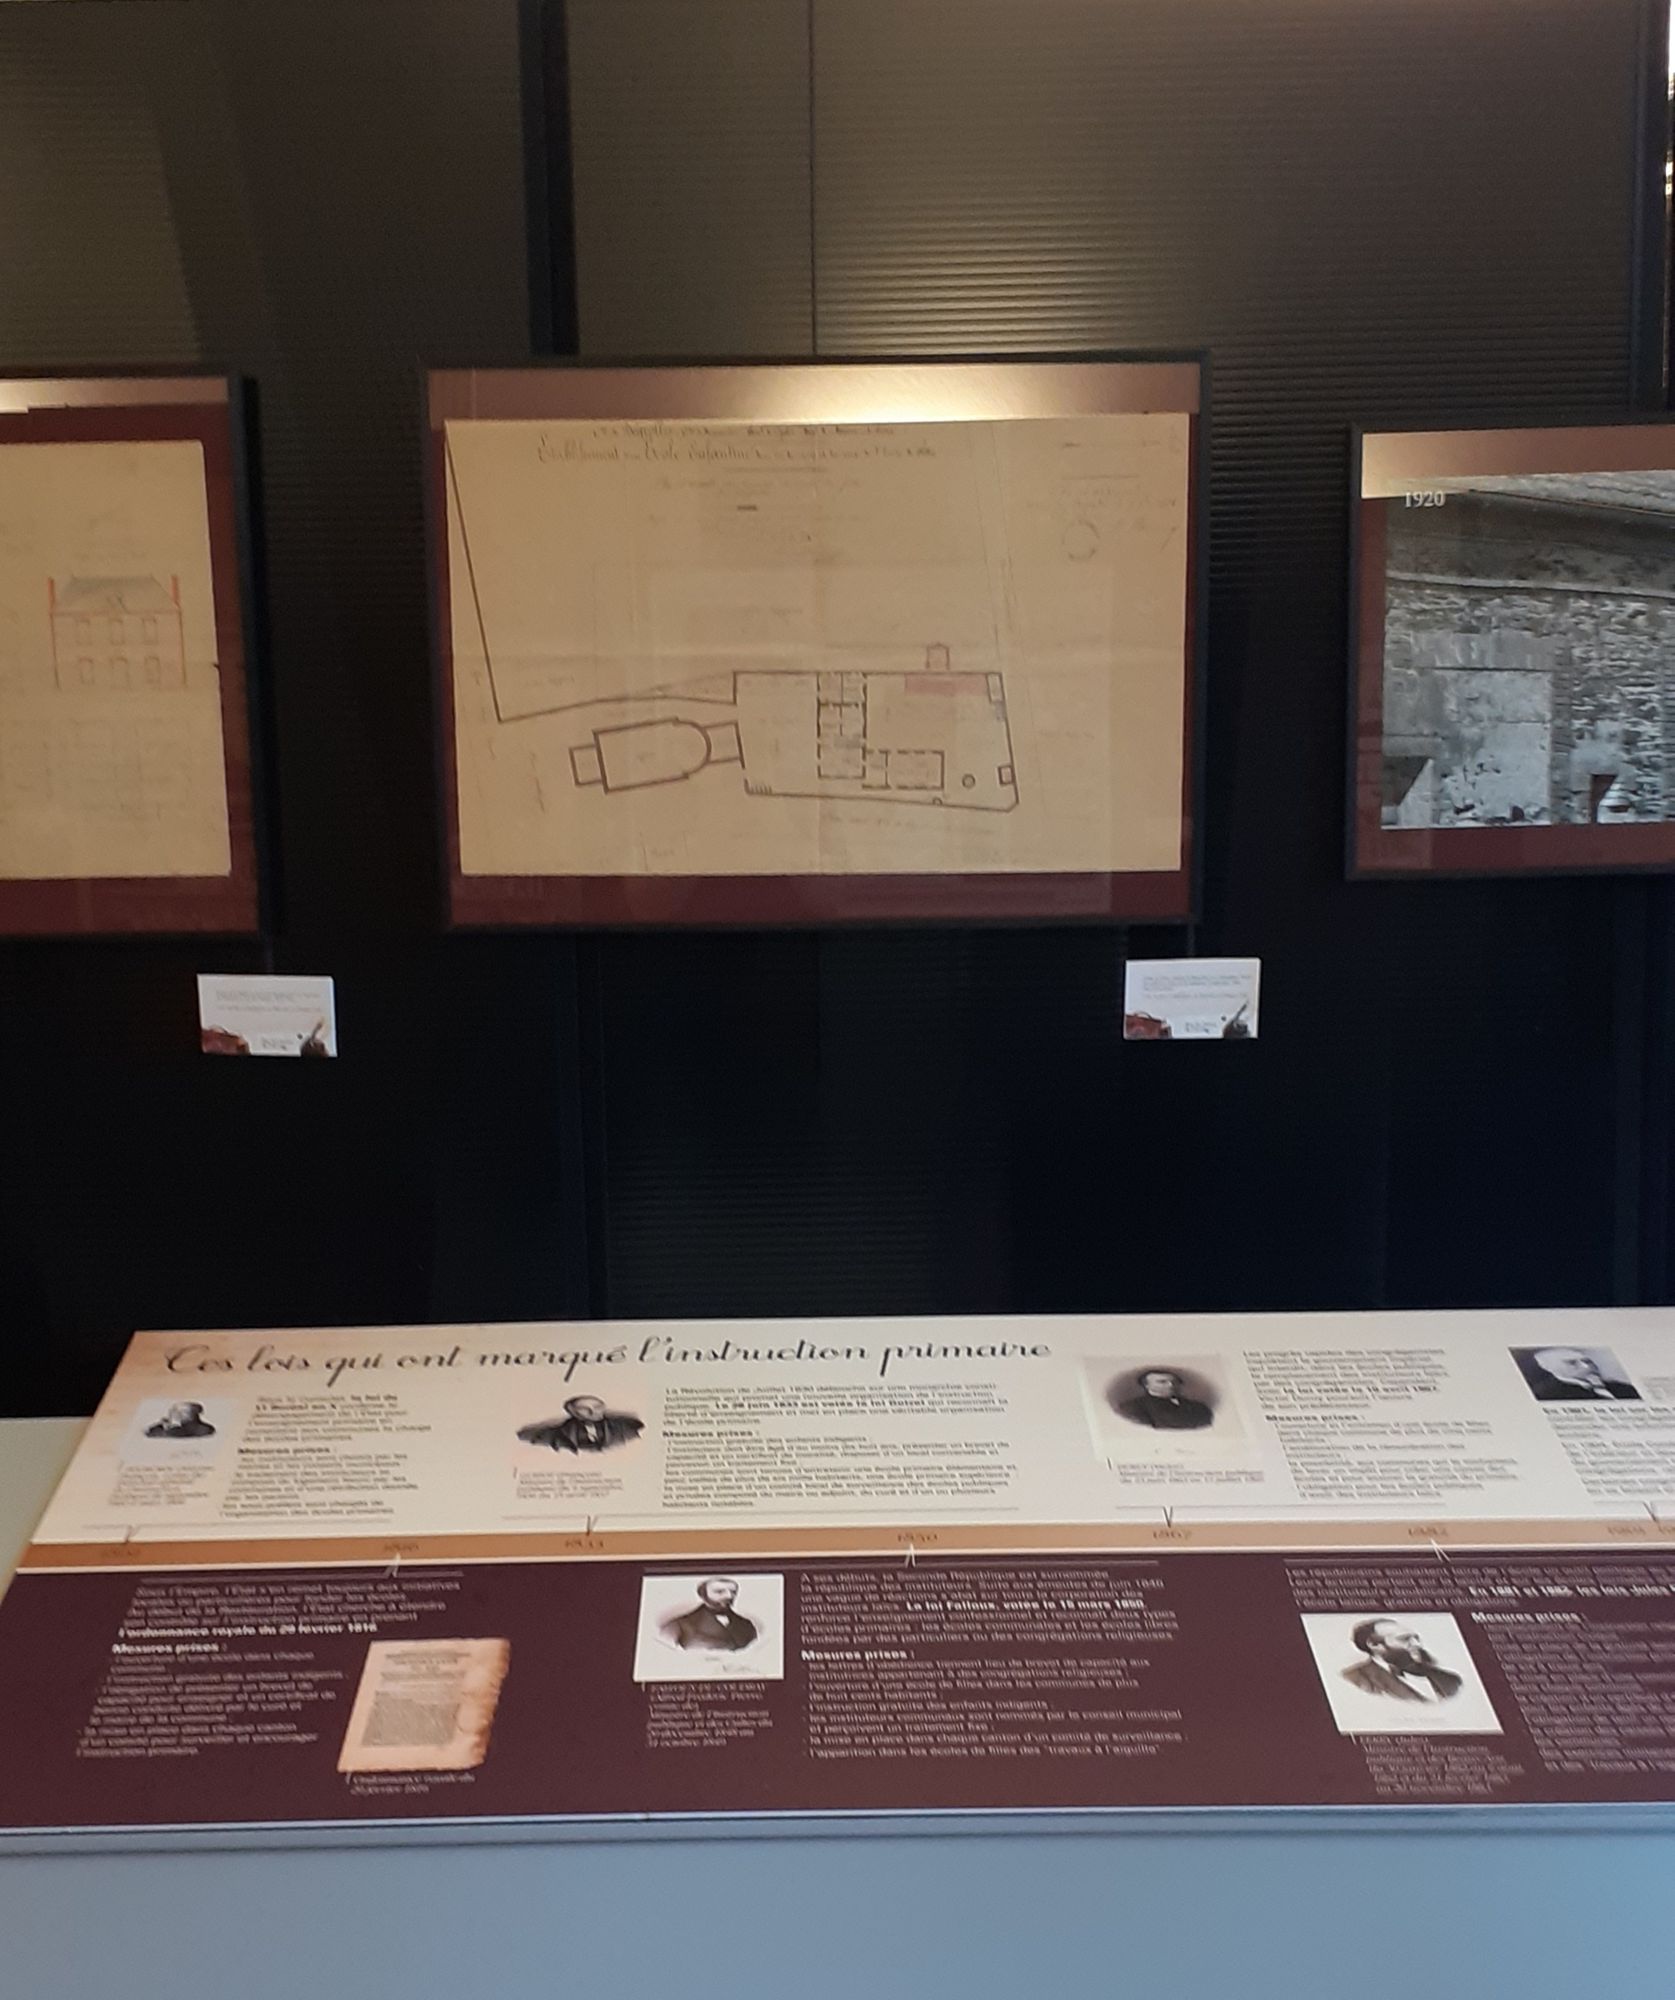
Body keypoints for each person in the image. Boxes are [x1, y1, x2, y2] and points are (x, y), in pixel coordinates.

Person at [1342, 1618, 1463, 1703]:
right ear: (1374, 1645)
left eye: (1416, 1638)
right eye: (1404, 1639)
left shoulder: (1452, 1680)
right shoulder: (1354, 1680)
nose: (1417, 1644)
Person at [517, 1395, 644, 1453]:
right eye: (584, 1409)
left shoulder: (623, 1430)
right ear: (571, 1411)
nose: (592, 1412)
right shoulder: (555, 1435)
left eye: (598, 1407)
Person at [662, 1577, 759, 1652]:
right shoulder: (678, 1625)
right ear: (703, 1595)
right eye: (719, 1592)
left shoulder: (747, 1625)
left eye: (733, 1592)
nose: (729, 1596)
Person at [1520, 1346, 1639, 1404]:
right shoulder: (1546, 1395)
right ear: (1548, 1367)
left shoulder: (1624, 1388)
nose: (1587, 1367)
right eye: (1572, 1363)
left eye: (1587, 1361)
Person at [1116, 1367, 1214, 1431]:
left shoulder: (1199, 1407)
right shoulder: (1131, 1408)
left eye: (1174, 1382)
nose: (1171, 1385)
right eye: (1162, 1382)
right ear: (1146, 1385)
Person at [145, 1400, 216, 1440]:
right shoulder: (170, 1428)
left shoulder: (204, 1429)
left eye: (177, 1412)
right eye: (174, 1412)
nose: (172, 1415)